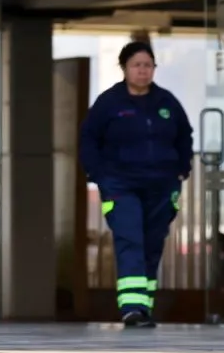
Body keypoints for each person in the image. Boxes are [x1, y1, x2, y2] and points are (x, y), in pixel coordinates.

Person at [79, 40, 193, 328]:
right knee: (130, 239)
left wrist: (182, 169)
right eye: (137, 65)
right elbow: (89, 139)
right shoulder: (109, 103)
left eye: (148, 65)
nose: (143, 71)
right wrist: (97, 174)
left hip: (161, 186)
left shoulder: (167, 102)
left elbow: (184, 136)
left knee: (152, 245)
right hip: (120, 184)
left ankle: (144, 307)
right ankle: (131, 307)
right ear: (125, 68)